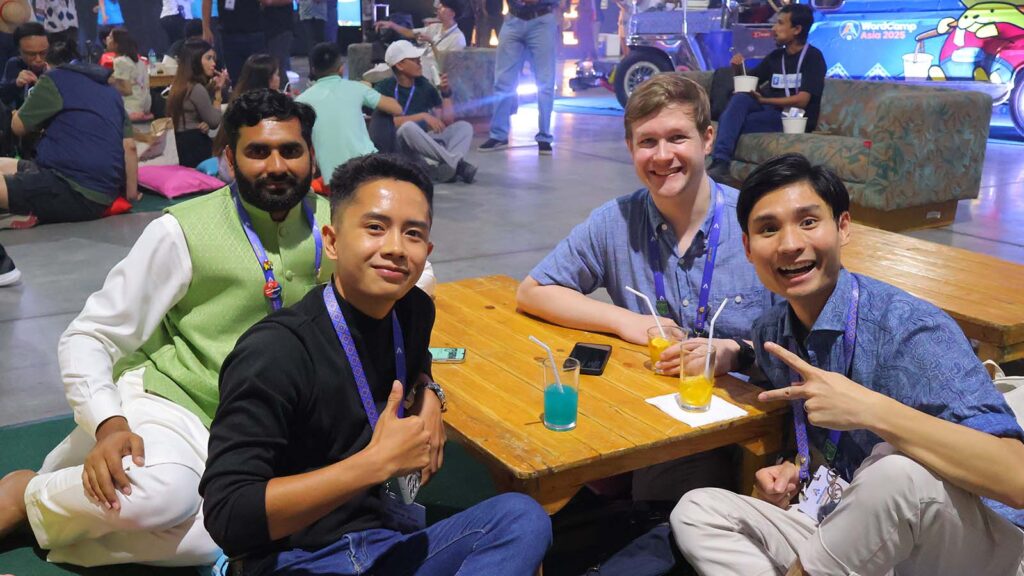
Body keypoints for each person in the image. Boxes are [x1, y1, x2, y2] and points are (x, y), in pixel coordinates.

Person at [0, 89, 436, 568]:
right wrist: (110, 422)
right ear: (229, 158)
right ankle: (30, 498)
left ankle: (60, 534)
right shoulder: (182, 230)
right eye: (257, 151)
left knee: (214, 540)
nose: (276, 165)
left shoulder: (347, 225)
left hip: (274, 424)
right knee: (160, 497)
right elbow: (91, 335)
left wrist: (429, 388)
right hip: (183, 404)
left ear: (311, 156)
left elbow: (417, 284)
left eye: (290, 150)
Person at [671, 153, 1024, 576]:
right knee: (697, 510)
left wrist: (869, 409)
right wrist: (793, 464)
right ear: (747, 247)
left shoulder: (910, 331)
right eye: (768, 229)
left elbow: (1015, 476)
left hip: (966, 548)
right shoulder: (774, 331)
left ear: (842, 227)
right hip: (844, 528)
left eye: (808, 222)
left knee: (893, 474)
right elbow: (776, 377)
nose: (789, 244)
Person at [200, 153, 552, 575]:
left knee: (522, 517)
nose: (395, 249)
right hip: (298, 559)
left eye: (413, 234)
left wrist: (431, 398)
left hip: (387, 543)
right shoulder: (275, 351)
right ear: (331, 240)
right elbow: (228, 518)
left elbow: (418, 365)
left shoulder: (414, 310)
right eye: (375, 227)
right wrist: (375, 463)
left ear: (428, 250)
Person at [517, 73, 775, 504]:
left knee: (663, 496)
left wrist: (734, 351)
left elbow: (807, 340)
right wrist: (627, 321)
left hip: (747, 422)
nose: (662, 156)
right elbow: (534, 290)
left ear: (708, 139)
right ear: (630, 148)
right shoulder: (614, 221)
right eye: (647, 142)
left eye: (677, 138)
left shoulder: (756, 223)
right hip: (652, 413)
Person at [0, 40, 140, 225]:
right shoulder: (111, 91)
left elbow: (17, 127)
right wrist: (131, 194)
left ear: (48, 64)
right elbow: (129, 147)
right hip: (96, 190)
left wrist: (21, 112)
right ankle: (21, 207)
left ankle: (24, 208)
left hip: (72, 188)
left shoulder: (54, 79)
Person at [706, 3, 825, 183]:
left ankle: (720, 160)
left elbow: (802, 100)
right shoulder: (776, 57)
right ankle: (720, 163)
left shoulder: (813, 58)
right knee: (740, 99)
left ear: (797, 29)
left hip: (795, 119)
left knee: (730, 122)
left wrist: (766, 100)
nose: (774, 29)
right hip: (771, 112)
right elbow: (750, 83)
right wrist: (738, 69)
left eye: (780, 23)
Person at [296, 42, 402, 185]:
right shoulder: (356, 88)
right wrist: (370, 88)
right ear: (341, 68)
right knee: (383, 116)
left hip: (329, 178)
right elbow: (396, 108)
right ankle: (396, 175)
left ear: (313, 70)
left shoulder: (301, 100)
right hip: (365, 168)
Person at [373, 40, 477, 184]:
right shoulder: (384, 88)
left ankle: (448, 167)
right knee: (407, 128)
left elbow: (446, 122)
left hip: (426, 143)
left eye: (419, 59)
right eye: (415, 60)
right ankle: (457, 165)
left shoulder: (424, 85)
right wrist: (422, 116)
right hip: (399, 146)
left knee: (464, 127)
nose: (419, 63)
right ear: (400, 65)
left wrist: (445, 93)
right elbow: (385, 124)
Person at [477, 0, 559, 155]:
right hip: (513, 19)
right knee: (502, 81)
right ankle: (498, 135)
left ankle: (544, 137)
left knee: (545, 83)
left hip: (541, 19)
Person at [211, 53, 280, 181]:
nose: (279, 78)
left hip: (228, 167)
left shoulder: (238, 100)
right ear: (268, 79)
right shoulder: (261, 110)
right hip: (241, 174)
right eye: (277, 74)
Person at [166, 38, 229, 168]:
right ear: (195, 60)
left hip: (180, 144)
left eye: (214, 59)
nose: (213, 63)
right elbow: (214, 121)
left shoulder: (179, 85)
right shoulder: (195, 88)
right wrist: (218, 94)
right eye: (208, 58)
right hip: (195, 147)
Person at [374, 0, 467, 86]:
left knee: (395, 72)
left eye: (443, 6)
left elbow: (446, 66)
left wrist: (431, 43)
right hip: (420, 65)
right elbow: (410, 33)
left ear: (452, 14)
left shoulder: (458, 38)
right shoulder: (435, 27)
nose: (438, 7)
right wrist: (392, 25)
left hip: (433, 73)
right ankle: (380, 74)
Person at [201, 0, 265, 82]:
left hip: (254, 31)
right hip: (228, 33)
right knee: (235, 78)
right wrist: (206, 28)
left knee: (258, 76)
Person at [0, 21, 48, 110]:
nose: (38, 59)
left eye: (43, 53)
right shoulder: (15, 64)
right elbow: (3, 98)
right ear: (19, 50)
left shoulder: (57, 65)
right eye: (31, 54)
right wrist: (16, 84)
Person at [107, 27, 151, 120]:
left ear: (117, 44)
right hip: (143, 106)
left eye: (110, 37)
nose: (107, 39)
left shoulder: (120, 61)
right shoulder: (140, 62)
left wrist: (109, 82)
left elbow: (127, 90)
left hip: (129, 109)